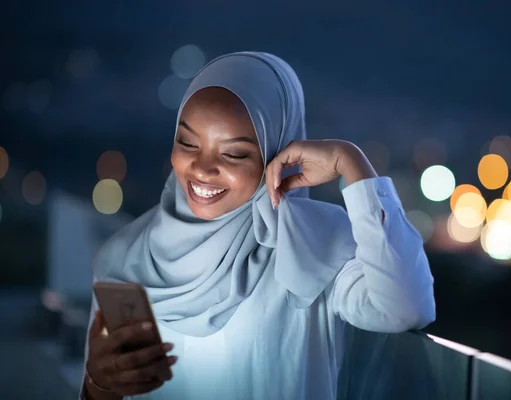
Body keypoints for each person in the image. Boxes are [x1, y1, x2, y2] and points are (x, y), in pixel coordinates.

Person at [81, 51, 435, 400]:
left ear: (275, 151)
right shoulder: (125, 257)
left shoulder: (312, 244)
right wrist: (98, 384)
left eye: (233, 153)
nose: (202, 169)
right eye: (187, 142)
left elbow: (405, 307)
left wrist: (351, 161)